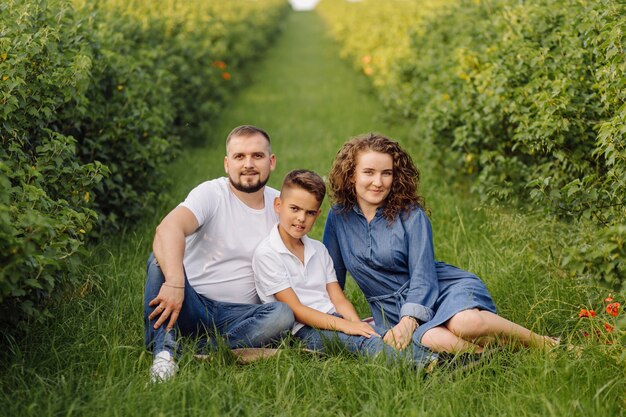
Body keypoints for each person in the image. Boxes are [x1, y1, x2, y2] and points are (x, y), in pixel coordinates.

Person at [322, 133, 559, 354]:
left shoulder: (411, 215)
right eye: (369, 172)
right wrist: (332, 320)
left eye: (387, 173)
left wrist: (409, 320)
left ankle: (548, 345)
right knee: (433, 338)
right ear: (352, 174)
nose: (378, 182)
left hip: (440, 289)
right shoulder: (338, 217)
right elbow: (331, 279)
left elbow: (423, 276)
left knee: (466, 323)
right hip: (390, 312)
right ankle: (505, 357)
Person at [144, 125, 294, 382]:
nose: (248, 164)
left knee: (282, 315)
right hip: (189, 303)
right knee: (159, 261)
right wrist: (175, 282)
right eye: (239, 156)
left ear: (271, 161)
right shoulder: (212, 193)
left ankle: (201, 349)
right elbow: (168, 228)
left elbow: (302, 263)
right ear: (227, 164)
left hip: (240, 315)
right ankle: (165, 355)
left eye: (257, 156)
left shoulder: (281, 205)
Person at [252, 169, 436, 367]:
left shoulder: (318, 249)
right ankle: (422, 366)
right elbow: (296, 310)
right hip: (302, 331)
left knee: (381, 333)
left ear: (318, 214)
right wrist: (346, 327)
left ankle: (438, 359)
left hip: (334, 318)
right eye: (294, 209)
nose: (301, 219)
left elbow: (337, 297)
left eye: (310, 212)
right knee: (366, 344)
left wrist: (357, 324)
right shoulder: (267, 253)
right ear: (278, 205)